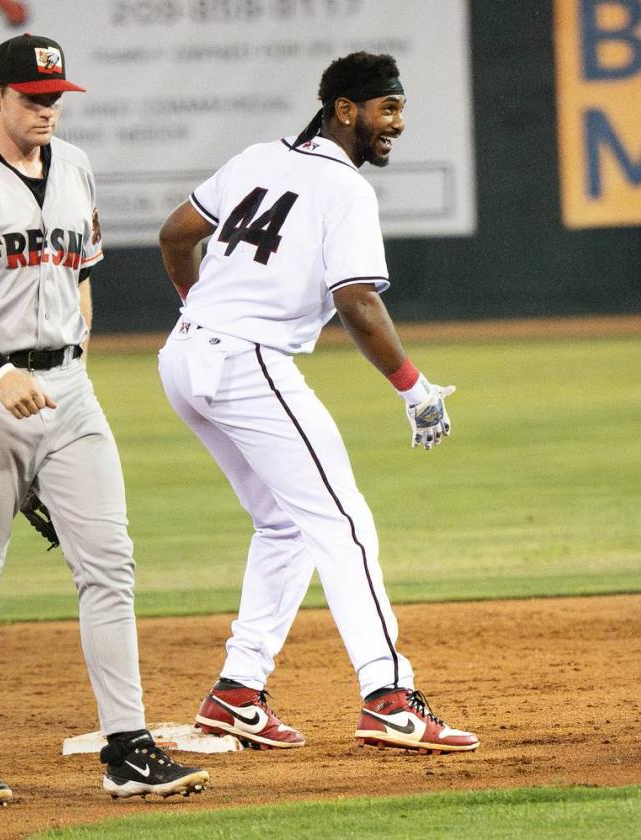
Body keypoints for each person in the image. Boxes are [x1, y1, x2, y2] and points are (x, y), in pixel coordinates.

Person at [0, 33, 208, 804]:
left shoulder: (73, 166)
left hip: (69, 394)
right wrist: (0, 370)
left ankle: (129, 749)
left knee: (110, 566)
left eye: (54, 99)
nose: (46, 110)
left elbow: (82, 276)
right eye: (32, 98)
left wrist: (68, 364)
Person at [157, 52, 479, 755]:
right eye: (386, 108)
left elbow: (177, 235)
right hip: (247, 362)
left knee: (285, 525)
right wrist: (414, 388)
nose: (396, 122)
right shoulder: (346, 190)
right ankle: (388, 698)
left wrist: (201, 306)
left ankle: (237, 693)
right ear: (344, 109)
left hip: (184, 357)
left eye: (400, 108)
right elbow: (356, 300)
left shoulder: (255, 159)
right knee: (345, 524)